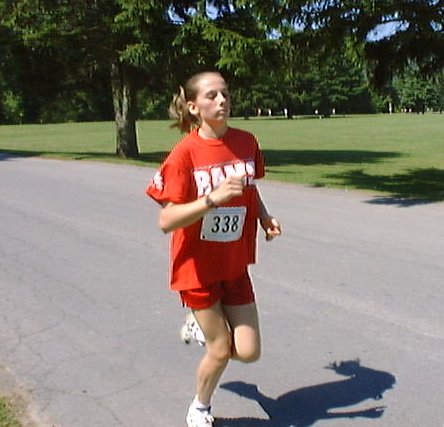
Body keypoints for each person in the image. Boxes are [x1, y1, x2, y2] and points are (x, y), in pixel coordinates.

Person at [146, 71, 281, 427]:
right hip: (197, 268)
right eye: (211, 96)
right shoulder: (184, 154)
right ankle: (200, 408)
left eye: (225, 94)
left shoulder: (246, 142)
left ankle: (198, 325)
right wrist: (211, 199)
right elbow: (166, 220)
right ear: (193, 107)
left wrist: (264, 217)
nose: (222, 100)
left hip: (234, 262)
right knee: (220, 350)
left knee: (248, 352)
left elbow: (248, 187)